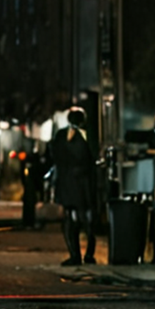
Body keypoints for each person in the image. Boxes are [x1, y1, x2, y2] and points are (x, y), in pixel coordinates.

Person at [50, 106, 98, 265]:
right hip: (84, 184)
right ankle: (89, 255)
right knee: (87, 220)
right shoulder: (87, 136)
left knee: (70, 221)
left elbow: (54, 156)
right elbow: (92, 158)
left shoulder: (61, 136)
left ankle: (74, 254)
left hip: (66, 183)